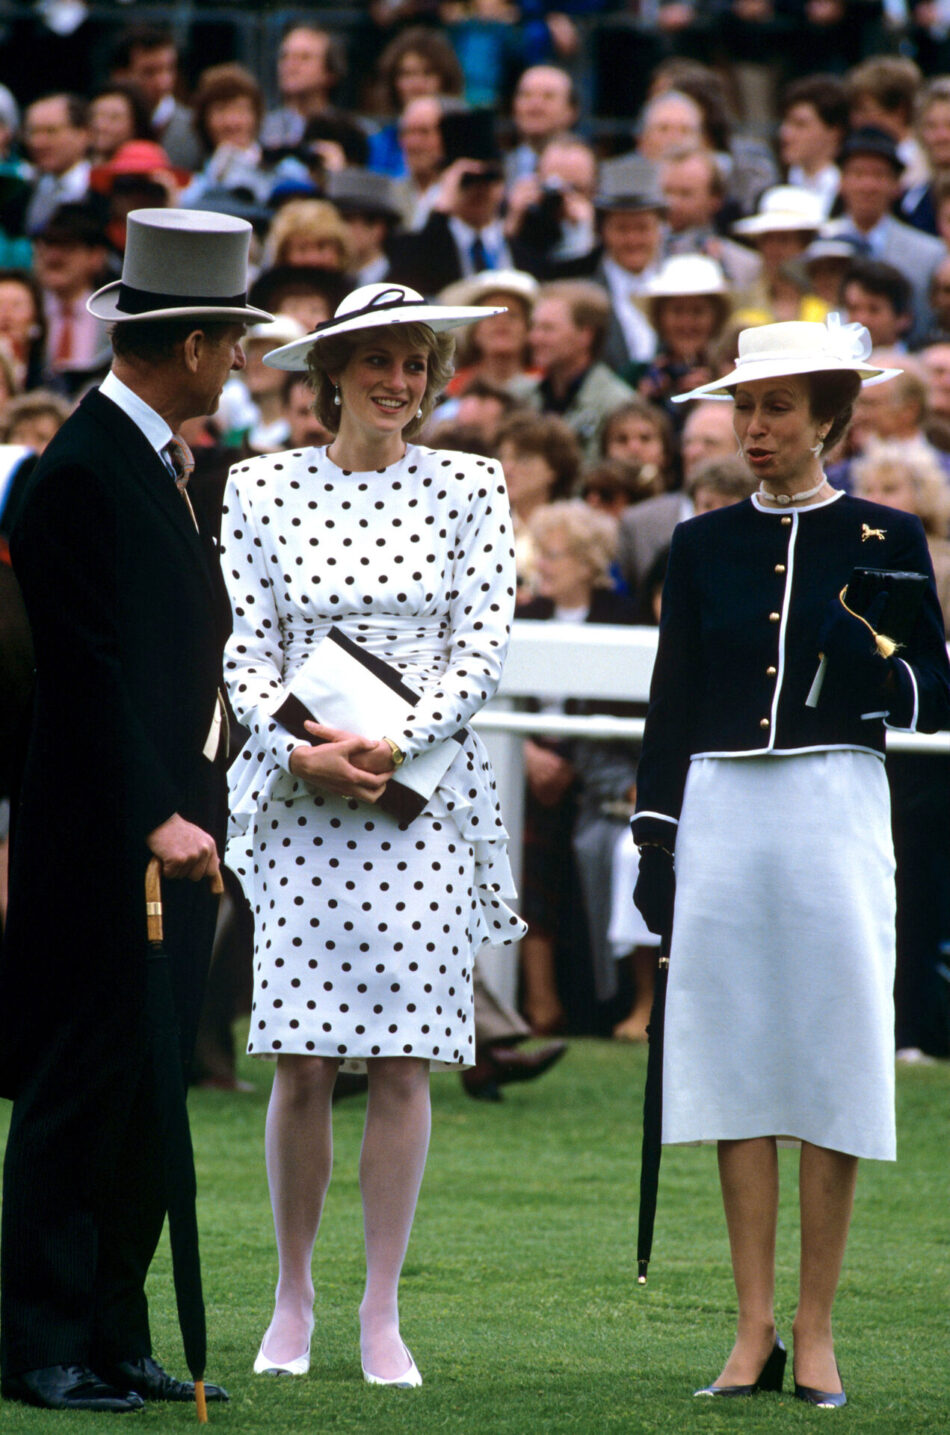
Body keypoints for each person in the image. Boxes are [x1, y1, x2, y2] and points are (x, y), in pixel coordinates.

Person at [632, 316, 950, 1406]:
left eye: (776, 406)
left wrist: (860, 654)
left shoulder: (887, 534)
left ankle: (814, 1331)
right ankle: (749, 1327)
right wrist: (654, 838)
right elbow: (668, 706)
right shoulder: (700, 541)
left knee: (828, 1060)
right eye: (744, 406)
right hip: (721, 809)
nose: (754, 426)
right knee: (733, 1068)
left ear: (829, 416)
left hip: (833, 805)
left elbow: (927, 692)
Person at [220, 280, 526, 1387]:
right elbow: (244, 645)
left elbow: (482, 639)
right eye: (378, 361)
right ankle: (291, 1297)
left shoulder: (470, 482)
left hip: (422, 794)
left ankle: (379, 1308)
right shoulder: (256, 485)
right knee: (300, 1057)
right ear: (330, 373)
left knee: (405, 1060)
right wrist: (304, 747)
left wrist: (398, 746)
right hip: (303, 790)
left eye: (416, 362)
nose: (399, 382)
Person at [0, 207, 271, 1412]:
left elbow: (186, 658)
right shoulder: (78, 473)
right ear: (193, 344)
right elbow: (85, 671)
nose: (241, 362)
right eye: (231, 341)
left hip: (181, 835)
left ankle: (115, 1328)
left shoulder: (171, 467)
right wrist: (155, 811)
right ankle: (40, 1339)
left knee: (150, 1091)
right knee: (79, 1087)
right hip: (98, 842)